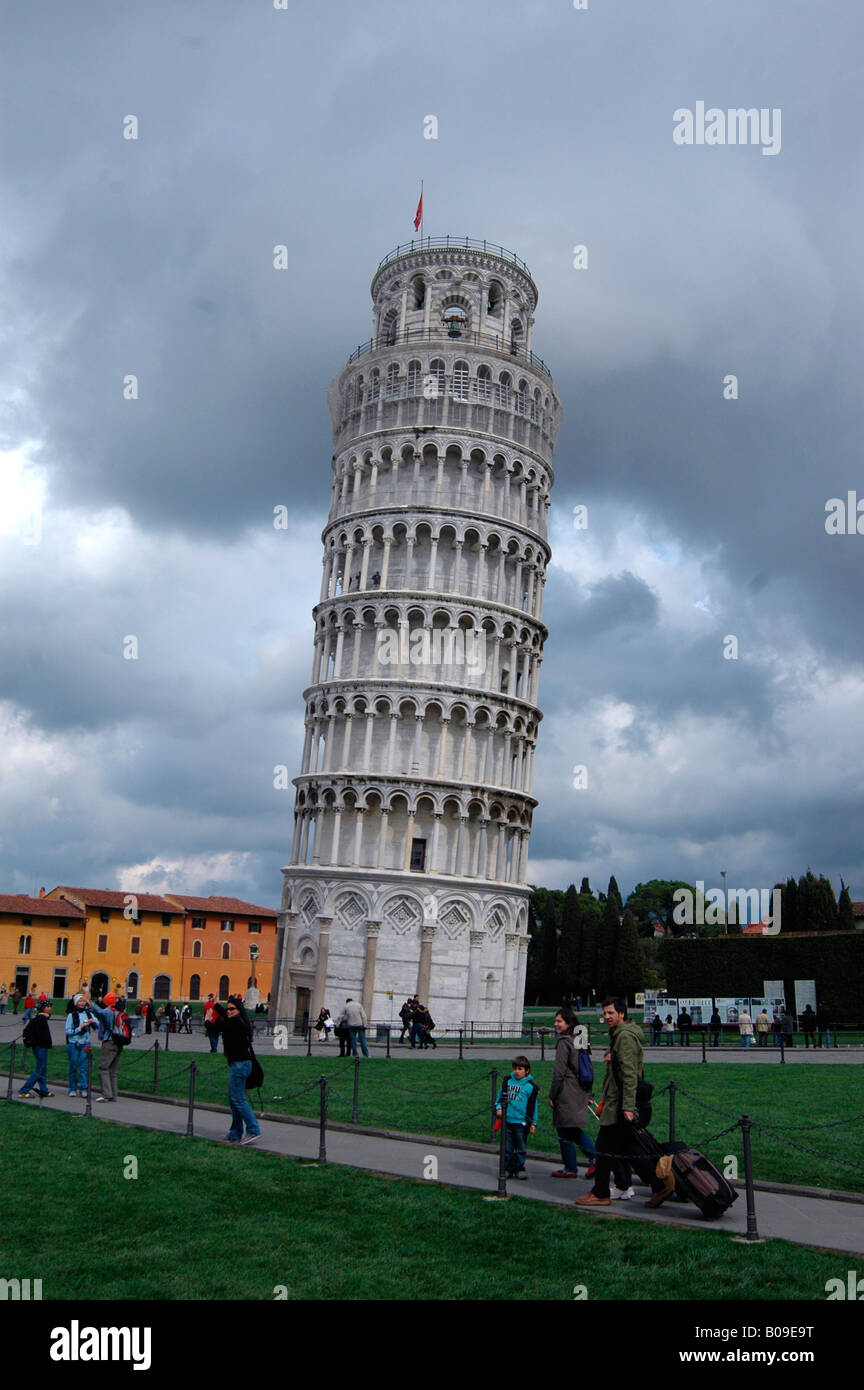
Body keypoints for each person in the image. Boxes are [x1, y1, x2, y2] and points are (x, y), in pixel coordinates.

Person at [575, 997, 670, 1210]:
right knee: (627, 1147)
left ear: (622, 1014)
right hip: (617, 1102)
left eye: (611, 1013)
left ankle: (601, 1193)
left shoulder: (624, 1037)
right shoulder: (621, 1034)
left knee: (604, 1147)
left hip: (619, 1105)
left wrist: (627, 1107)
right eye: (605, 1013)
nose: (607, 1017)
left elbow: (629, 1074)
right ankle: (657, 1186)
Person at [548, 1007, 596, 1181]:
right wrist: (589, 1093)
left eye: (559, 1021)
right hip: (580, 1089)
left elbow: (558, 1073)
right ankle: (573, 1165)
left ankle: (587, 1160)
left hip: (567, 1091)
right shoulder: (580, 1039)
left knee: (566, 1129)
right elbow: (588, 1068)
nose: (556, 1024)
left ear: (568, 1023)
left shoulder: (564, 1042)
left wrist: (552, 1095)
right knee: (569, 1129)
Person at [212, 999, 261, 1144]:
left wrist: (208, 1020)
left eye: (232, 1009)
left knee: (238, 1099)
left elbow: (217, 1027)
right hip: (240, 1064)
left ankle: (253, 1130)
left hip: (240, 1065)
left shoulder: (235, 1022)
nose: (228, 1011)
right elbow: (226, 1017)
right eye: (227, 1009)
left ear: (239, 1010)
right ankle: (235, 1132)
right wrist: (217, 1006)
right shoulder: (238, 1020)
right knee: (233, 1100)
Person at [496, 1055, 539, 1180]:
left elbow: (533, 1106)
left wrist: (533, 1123)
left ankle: (519, 1167)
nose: (517, 1071)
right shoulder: (507, 1082)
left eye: (520, 1069)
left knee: (520, 1148)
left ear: (527, 1070)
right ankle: (507, 1168)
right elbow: (500, 1097)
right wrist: (498, 1107)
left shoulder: (530, 1087)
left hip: (521, 1123)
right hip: (507, 1120)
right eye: (515, 1068)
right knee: (508, 1148)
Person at [89, 992, 129, 1102]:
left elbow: (99, 1012)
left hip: (109, 1042)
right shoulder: (118, 1011)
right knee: (113, 1071)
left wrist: (90, 1002)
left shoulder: (108, 1011)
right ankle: (113, 1094)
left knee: (103, 1068)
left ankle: (106, 1094)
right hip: (119, 1042)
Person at [18, 1002, 55, 1098]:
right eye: (48, 1007)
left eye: (50, 1006)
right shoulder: (41, 1019)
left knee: (42, 1070)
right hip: (40, 1047)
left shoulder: (40, 1018)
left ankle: (44, 1090)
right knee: (39, 1070)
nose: (50, 1008)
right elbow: (39, 1033)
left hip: (40, 1046)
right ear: (43, 1008)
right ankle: (24, 1090)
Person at [65, 994, 97, 1095]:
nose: (82, 1003)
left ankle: (84, 1088)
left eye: (84, 1001)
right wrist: (80, 1027)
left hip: (85, 1043)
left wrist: (93, 1021)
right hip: (74, 1043)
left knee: (84, 1067)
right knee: (73, 1066)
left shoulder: (88, 1014)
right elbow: (68, 1031)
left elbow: (98, 1024)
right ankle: (72, 1088)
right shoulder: (71, 1015)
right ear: (76, 1003)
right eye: (80, 1001)